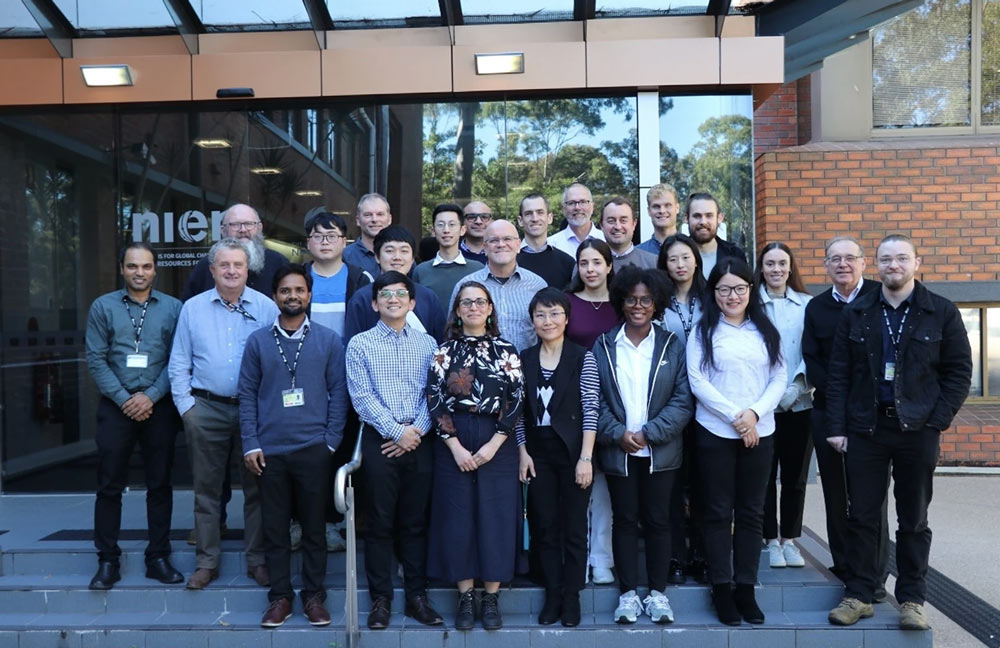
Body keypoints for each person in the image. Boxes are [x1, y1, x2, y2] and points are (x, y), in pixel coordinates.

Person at [826, 235, 971, 631]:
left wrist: (937, 421)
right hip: (867, 428)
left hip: (918, 430)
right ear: (876, 265)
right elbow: (839, 375)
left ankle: (912, 600)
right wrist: (837, 427)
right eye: (886, 259)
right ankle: (859, 594)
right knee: (862, 517)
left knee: (914, 519)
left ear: (916, 263)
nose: (894, 265)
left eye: (902, 258)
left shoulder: (941, 311)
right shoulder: (857, 312)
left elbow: (959, 372)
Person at [238, 265, 348, 628]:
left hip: (314, 449)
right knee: (275, 529)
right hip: (269, 452)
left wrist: (331, 442)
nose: (292, 296)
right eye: (285, 290)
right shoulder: (258, 341)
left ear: (309, 295)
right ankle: (280, 596)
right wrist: (251, 443)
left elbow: (339, 393)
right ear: (275, 297)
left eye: (299, 290)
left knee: (315, 529)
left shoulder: (328, 340)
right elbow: (247, 395)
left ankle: (314, 596)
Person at [169, 238, 279, 590]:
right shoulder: (193, 309)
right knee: (207, 490)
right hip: (206, 409)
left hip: (253, 413)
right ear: (212, 269)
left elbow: (277, 362)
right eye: (225, 265)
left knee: (257, 490)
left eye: (238, 265)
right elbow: (179, 362)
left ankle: (257, 560)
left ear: (248, 270)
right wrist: (188, 409)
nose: (232, 271)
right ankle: (206, 562)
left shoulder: (266, 308)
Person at [687, 258, 786, 626]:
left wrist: (755, 414)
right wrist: (736, 417)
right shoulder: (703, 331)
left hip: (761, 431)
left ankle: (746, 587)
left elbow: (779, 377)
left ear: (750, 290)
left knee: (751, 512)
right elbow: (697, 380)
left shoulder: (765, 328)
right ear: (713, 292)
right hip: (715, 432)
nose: (732, 296)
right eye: (724, 289)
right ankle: (721, 588)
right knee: (717, 511)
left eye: (740, 288)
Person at [346, 271, 445, 630]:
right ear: (374, 303)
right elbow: (361, 397)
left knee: (415, 522)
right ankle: (381, 600)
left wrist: (415, 431)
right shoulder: (360, 344)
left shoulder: (428, 344)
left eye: (401, 294)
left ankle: (417, 597)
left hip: (420, 438)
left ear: (412, 302)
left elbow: (434, 393)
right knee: (379, 523)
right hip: (380, 441)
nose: (393, 299)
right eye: (385, 294)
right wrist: (396, 432)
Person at [593, 267, 692, 625]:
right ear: (620, 301)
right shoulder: (605, 344)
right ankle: (628, 595)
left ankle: (658, 593)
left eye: (646, 300)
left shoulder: (671, 344)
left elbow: (683, 399)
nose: (638, 306)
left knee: (658, 520)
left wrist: (650, 433)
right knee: (624, 520)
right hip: (618, 450)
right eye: (631, 299)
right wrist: (617, 433)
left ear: (657, 303)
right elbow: (594, 398)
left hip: (660, 451)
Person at [84, 242, 183, 590]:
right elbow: (96, 358)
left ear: (155, 269)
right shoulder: (103, 307)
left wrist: (150, 396)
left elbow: (178, 359)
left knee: (160, 484)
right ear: (122, 269)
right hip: (116, 406)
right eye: (132, 266)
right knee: (109, 485)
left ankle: (158, 557)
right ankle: (107, 560)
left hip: (159, 406)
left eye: (145, 266)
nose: (139, 273)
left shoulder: (173, 308)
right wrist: (126, 399)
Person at [427, 281, 524, 631]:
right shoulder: (443, 351)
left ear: (490, 309)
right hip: (453, 437)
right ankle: (466, 595)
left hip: (497, 438)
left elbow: (516, 398)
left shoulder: (506, 350)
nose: (473, 308)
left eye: (480, 302)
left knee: (496, 515)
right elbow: (435, 398)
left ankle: (491, 596)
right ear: (457, 310)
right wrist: (454, 446)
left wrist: (494, 444)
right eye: (466, 302)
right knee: (458, 515)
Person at [802, 236, 891, 598]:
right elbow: (812, 360)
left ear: (864, 262)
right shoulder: (817, 307)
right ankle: (844, 566)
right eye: (835, 259)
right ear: (826, 265)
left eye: (850, 258)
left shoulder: (880, 298)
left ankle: (875, 575)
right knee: (836, 495)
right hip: (829, 411)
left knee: (872, 498)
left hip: (873, 415)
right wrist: (839, 399)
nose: (843, 264)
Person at [516, 288, 598, 627]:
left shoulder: (583, 357)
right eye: (540, 315)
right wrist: (522, 453)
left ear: (566, 318)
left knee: (574, 528)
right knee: (545, 526)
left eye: (554, 314)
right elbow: (518, 413)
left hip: (574, 451)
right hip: (537, 453)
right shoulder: (523, 358)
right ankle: (553, 594)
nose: (547, 321)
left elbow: (591, 408)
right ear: (533, 321)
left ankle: (572, 595)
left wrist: (586, 458)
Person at [564, 238, 621, 585]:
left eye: (597, 262)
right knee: (578, 481)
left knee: (604, 484)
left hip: (616, 401)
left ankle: (601, 558)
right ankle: (578, 557)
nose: (590, 269)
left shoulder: (622, 304)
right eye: (584, 263)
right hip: (573, 402)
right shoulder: (567, 302)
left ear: (609, 266)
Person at [755, 242, 814, 569]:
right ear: (761, 268)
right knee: (763, 477)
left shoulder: (807, 304)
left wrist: (798, 386)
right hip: (761, 406)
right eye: (770, 264)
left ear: (790, 267)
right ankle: (770, 540)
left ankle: (790, 539)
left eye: (781, 263)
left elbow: (814, 350)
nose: (776, 269)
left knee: (795, 477)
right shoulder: (750, 304)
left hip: (799, 405)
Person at [656, 233, 708, 585]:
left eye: (686, 257)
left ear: (696, 261)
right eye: (672, 259)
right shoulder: (657, 302)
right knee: (672, 485)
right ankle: (675, 556)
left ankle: (702, 555)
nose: (680, 265)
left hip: (707, 406)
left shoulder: (711, 299)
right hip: (668, 404)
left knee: (704, 483)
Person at [449, 220, 547, 352]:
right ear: (485, 247)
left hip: (526, 364)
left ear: (518, 245)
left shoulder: (537, 285)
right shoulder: (465, 287)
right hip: (477, 363)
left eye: (507, 239)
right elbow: (453, 332)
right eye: (494, 240)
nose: (501, 244)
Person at [344, 225, 446, 344]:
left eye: (404, 251)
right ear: (377, 257)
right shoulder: (361, 299)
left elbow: (441, 344)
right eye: (389, 251)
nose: (397, 257)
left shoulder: (428, 297)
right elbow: (353, 345)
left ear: (412, 259)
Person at [181, 203, 289, 301]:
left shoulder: (278, 263)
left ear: (259, 228)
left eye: (249, 224)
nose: (243, 230)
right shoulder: (207, 264)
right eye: (235, 224)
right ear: (223, 231)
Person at [303, 211, 372, 339]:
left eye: (332, 236)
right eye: (318, 236)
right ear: (308, 243)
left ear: (344, 242)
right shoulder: (297, 277)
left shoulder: (361, 279)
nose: (325, 242)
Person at [413, 203, 484, 314]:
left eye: (452, 224)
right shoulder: (421, 271)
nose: (446, 230)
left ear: (462, 230)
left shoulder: (477, 269)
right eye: (440, 225)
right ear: (433, 231)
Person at [516, 193, 575, 289]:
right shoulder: (510, 261)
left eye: (540, 212)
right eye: (528, 214)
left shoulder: (567, 262)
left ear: (550, 218)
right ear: (520, 221)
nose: (535, 219)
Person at [685, 192, 746, 278]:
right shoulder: (675, 255)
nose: (703, 222)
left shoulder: (735, 255)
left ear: (720, 218)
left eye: (709, 216)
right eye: (697, 216)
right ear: (686, 218)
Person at [549, 183, 606, 257]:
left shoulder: (607, 241)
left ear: (592, 207)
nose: (577, 208)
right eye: (571, 203)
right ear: (564, 209)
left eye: (583, 202)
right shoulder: (551, 245)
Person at [342, 193, 392, 278]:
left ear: (389, 219)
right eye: (368, 215)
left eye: (380, 214)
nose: (374, 219)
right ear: (358, 220)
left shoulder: (401, 255)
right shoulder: (345, 256)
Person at [600, 197, 657, 270]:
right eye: (611, 221)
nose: (618, 227)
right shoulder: (590, 264)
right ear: (602, 225)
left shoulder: (653, 263)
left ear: (634, 224)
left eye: (623, 220)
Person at [638, 183, 680, 256]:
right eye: (656, 206)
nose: (662, 211)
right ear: (649, 211)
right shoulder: (638, 254)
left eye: (667, 205)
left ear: (677, 208)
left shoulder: (691, 250)